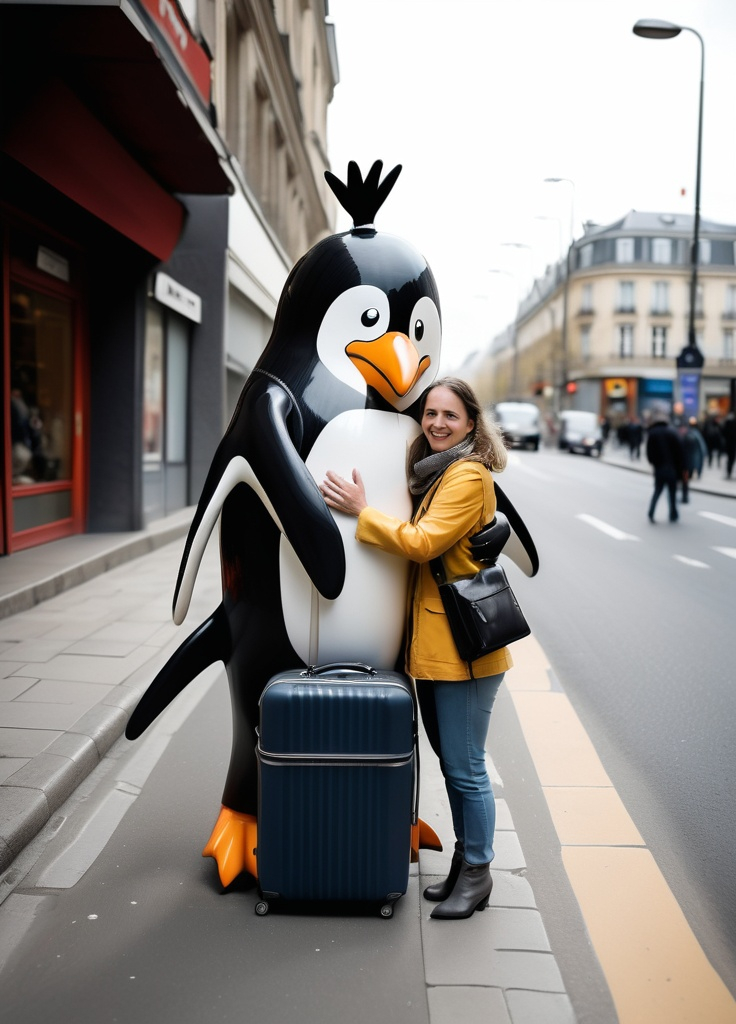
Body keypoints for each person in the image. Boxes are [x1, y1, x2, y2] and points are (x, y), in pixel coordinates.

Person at [320, 377, 511, 921]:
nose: (437, 424)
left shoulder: (465, 475)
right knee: (455, 765)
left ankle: (478, 871)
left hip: (465, 652)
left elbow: (423, 542)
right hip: (440, 647)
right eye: (430, 413)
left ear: (472, 424)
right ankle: (465, 863)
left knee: (467, 766)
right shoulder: (437, 473)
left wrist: (363, 510)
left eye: (450, 416)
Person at [646, 405, 684, 523]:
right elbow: (679, 452)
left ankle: (651, 513)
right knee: (672, 493)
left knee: (657, 491)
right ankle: (673, 514)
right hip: (671, 468)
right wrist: (681, 468)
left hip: (659, 468)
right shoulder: (672, 433)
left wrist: (654, 463)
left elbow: (649, 453)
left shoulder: (653, 433)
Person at [680, 417, 707, 502]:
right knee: (685, 481)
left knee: (685, 481)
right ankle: (684, 497)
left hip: (685, 463)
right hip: (686, 463)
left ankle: (684, 497)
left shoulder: (689, 435)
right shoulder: (692, 435)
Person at [723, 412, 736, 480]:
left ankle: (729, 472)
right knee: (731, 459)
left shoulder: (727, 423)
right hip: (732, 445)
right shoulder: (732, 423)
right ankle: (729, 472)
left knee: (729, 459)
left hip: (728, 445)